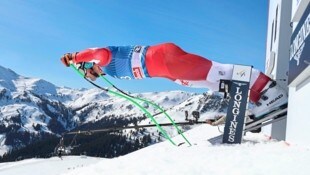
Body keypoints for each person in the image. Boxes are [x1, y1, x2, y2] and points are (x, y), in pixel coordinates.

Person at [60, 42, 287, 118]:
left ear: (87, 64)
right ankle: (256, 98)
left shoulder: (103, 57)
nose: (86, 76)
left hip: (165, 59)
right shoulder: (109, 71)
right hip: (166, 71)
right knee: (211, 83)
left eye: (84, 71)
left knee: (214, 71)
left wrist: (74, 57)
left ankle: (269, 88)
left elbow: (100, 52)